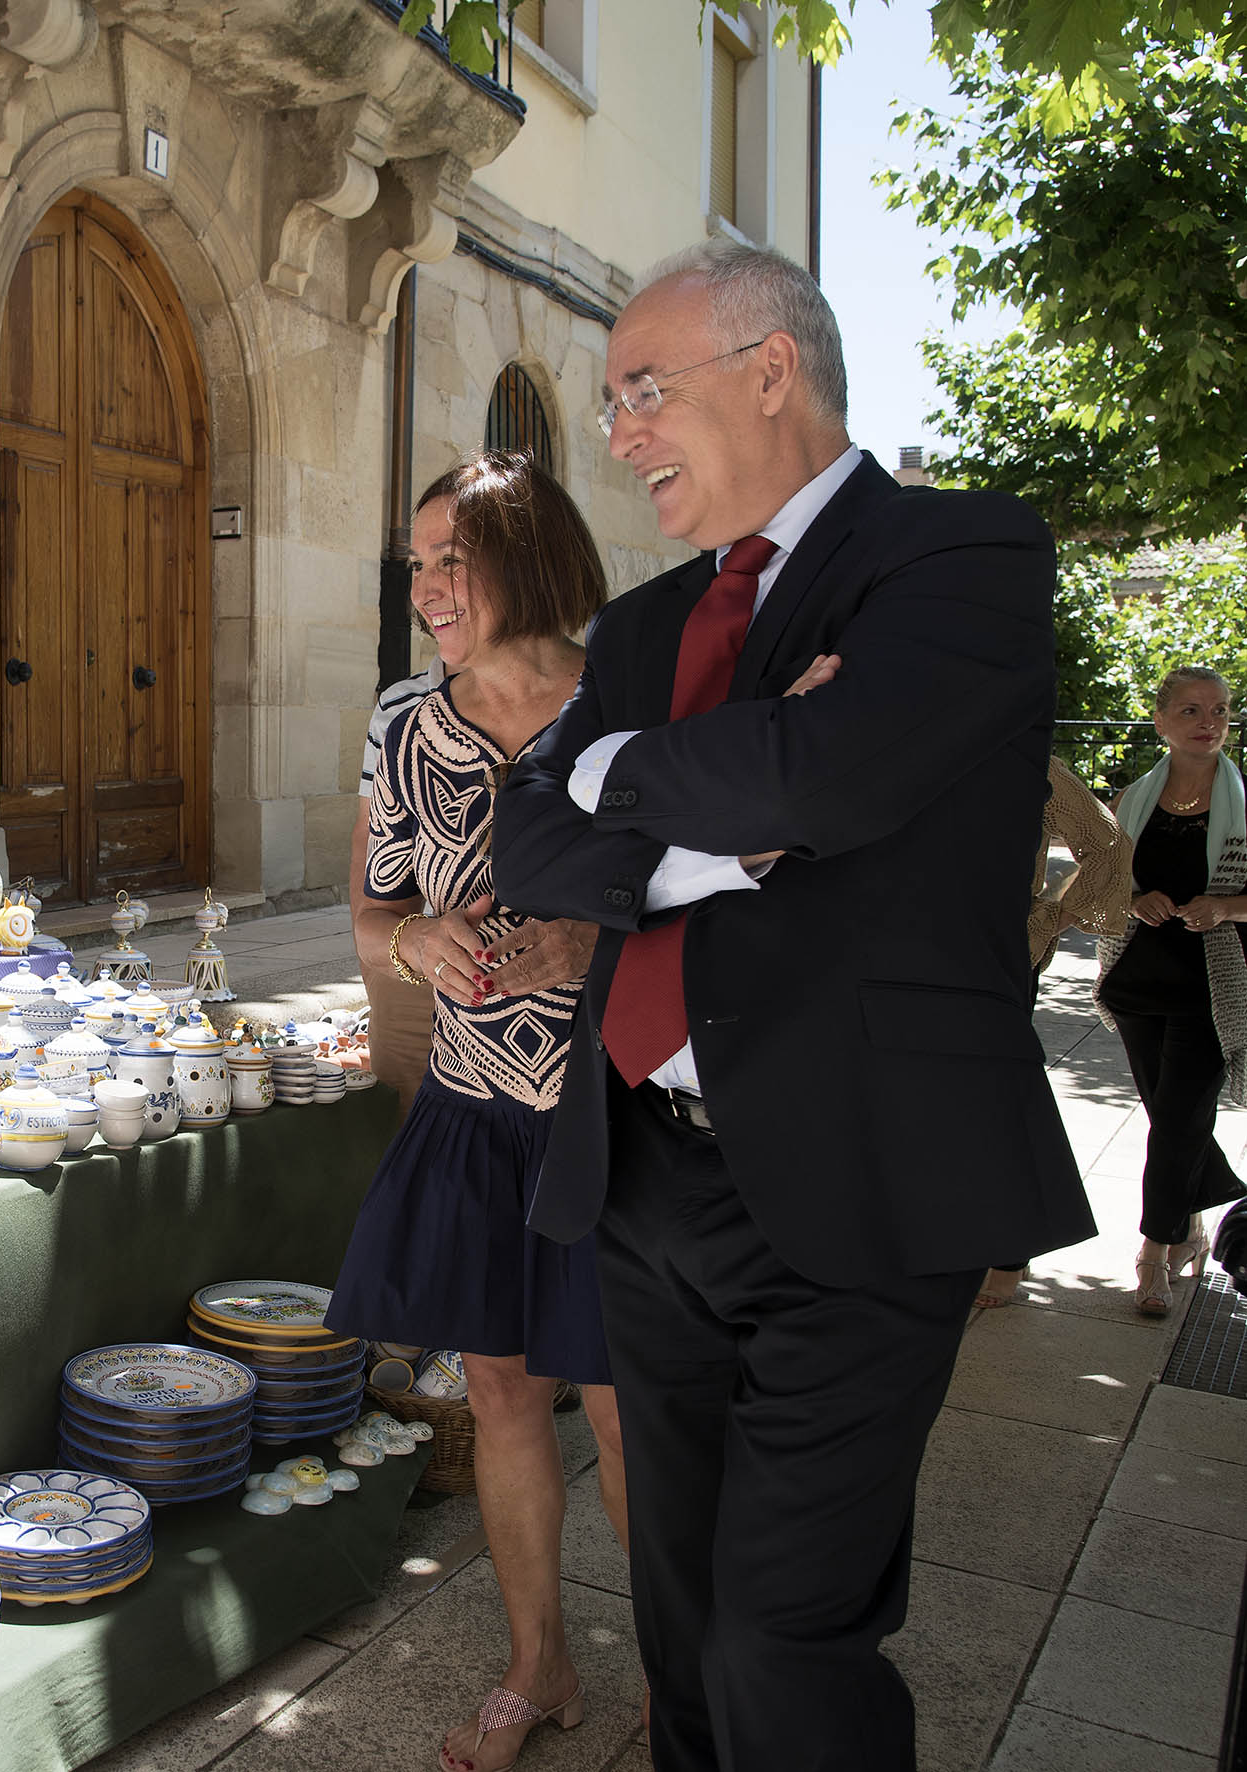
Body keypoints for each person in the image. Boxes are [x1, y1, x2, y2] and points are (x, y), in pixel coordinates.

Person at [493, 241, 1093, 1772]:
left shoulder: (956, 556)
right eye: (609, 400)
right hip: (642, 1173)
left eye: (643, 392)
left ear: (770, 371)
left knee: (783, 1635)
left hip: (857, 1178)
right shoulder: (636, 631)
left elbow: (826, 775)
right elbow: (528, 839)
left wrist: (619, 780)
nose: (615, 435)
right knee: (682, 1618)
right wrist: (715, 825)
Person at [328, 451, 623, 1772]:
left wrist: (589, 950)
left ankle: (686, 1680)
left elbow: (718, 905)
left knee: (624, 1405)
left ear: (528, 555)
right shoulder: (401, 727)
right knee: (500, 1396)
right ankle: (535, 1665)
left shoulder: (628, 711)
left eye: (456, 557)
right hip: (473, 1109)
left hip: (612, 1116)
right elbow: (371, 909)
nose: (431, 587)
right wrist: (412, 950)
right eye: (418, 564)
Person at [1093, 665, 1247, 1315]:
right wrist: (1133, 898)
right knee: (1172, 1119)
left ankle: (1153, 1250)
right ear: (1158, 721)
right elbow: (1092, 883)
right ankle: (1186, 1219)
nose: (1207, 721)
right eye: (1188, 710)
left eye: (1217, 709)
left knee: (1180, 1119)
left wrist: (1225, 907)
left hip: (1212, 989)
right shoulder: (1130, 800)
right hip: (1135, 983)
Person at [977, 757, 1134, 1307]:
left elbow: (1109, 847)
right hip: (897, 964)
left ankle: (1007, 1252)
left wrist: (1048, 920)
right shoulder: (894, 739)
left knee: (1001, 1106)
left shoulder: (1028, 757)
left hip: (995, 963)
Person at [352, 652, 448, 1112]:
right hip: (412, 968)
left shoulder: (588, 694)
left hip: (532, 979)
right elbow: (369, 835)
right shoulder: (400, 703)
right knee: (403, 1130)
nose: (427, 591)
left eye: (451, 572)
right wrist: (375, 959)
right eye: (420, 572)